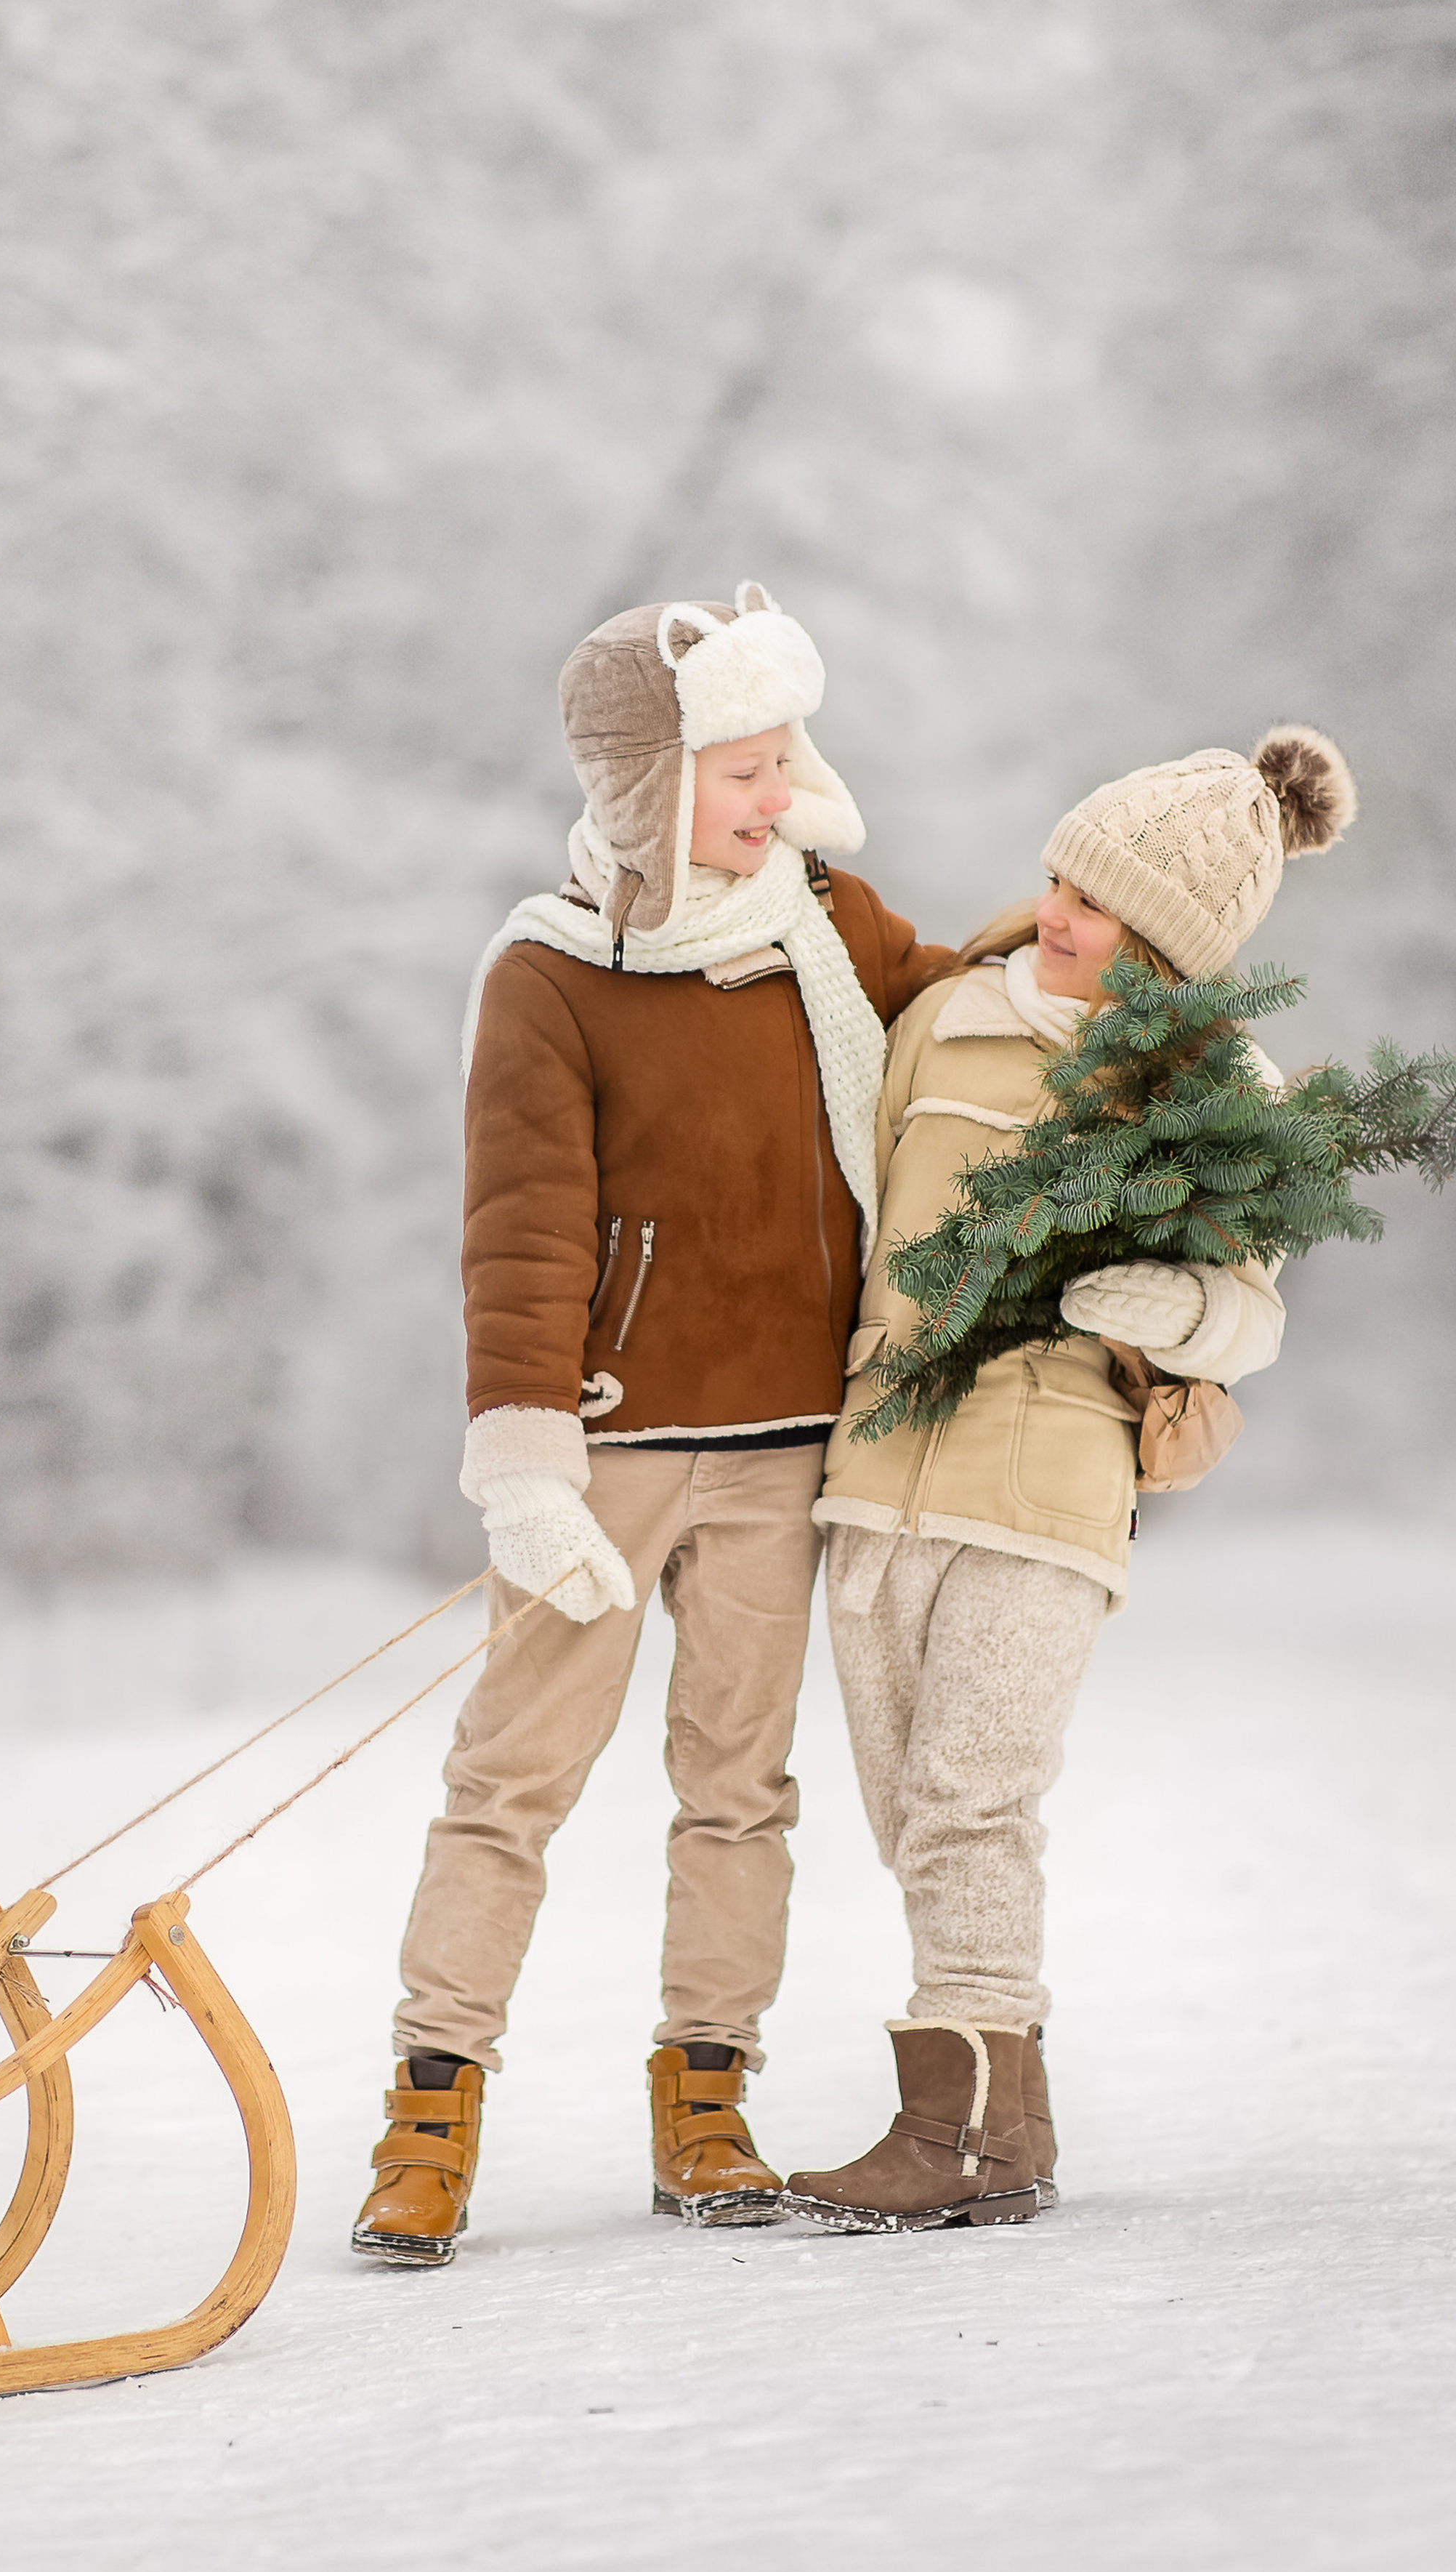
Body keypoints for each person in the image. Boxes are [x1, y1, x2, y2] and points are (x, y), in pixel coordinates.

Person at [351, 583, 951, 2265]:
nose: (777, 792)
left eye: (782, 759)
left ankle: (705, 2095)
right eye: (741, 766)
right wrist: (526, 1459)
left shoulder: (821, 923)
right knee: (508, 1784)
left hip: (783, 1448)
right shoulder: (548, 975)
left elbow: (953, 1015)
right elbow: (524, 1229)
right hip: (604, 1457)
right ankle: (428, 2108)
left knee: (738, 1790)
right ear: (645, 778)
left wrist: (1098, 973)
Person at [784, 727, 1356, 2232]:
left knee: (976, 1794)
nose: (1057, 909)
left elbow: (1247, 1309)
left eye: (1097, 901)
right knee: (906, 1807)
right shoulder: (945, 1023)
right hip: (874, 1469)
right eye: (1057, 874)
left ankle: (961, 2134)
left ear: (1170, 946)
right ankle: (993, 2121)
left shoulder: (1215, 1090)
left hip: (1040, 1487)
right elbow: (837, 1228)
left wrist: (1149, 1307)